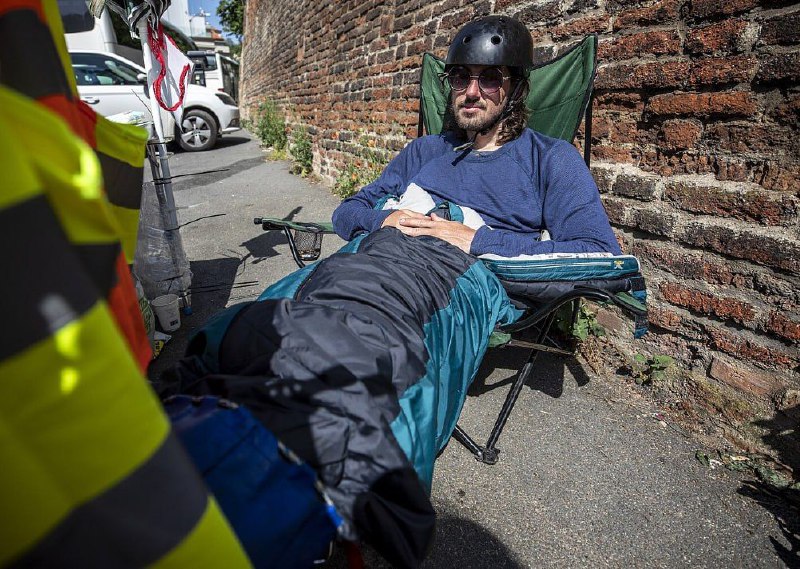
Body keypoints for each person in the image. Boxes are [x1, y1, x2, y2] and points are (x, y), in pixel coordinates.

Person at [332, 15, 621, 259]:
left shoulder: (549, 159)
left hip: (450, 291)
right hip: (373, 261)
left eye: (491, 78)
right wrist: (386, 220)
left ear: (517, 89)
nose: (471, 92)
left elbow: (599, 253)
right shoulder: (424, 151)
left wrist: (476, 240)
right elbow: (346, 213)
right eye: (460, 76)